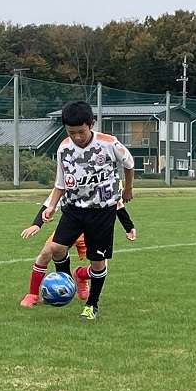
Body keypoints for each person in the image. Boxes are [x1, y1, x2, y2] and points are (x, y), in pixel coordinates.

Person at [41, 100, 134, 320]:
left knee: (97, 260)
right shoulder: (64, 148)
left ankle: (92, 305)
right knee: (56, 248)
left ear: (91, 124)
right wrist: (51, 206)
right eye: (71, 132)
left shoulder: (109, 143)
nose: (77, 137)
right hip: (73, 209)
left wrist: (128, 189)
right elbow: (60, 183)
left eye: (81, 132)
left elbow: (129, 164)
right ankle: (66, 283)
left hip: (102, 210)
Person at [19, 196, 136, 307]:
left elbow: (116, 203)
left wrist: (128, 226)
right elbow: (52, 200)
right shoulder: (71, 182)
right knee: (47, 251)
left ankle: (80, 275)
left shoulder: (105, 183)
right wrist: (37, 224)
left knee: (99, 267)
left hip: (94, 228)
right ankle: (33, 295)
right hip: (71, 225)